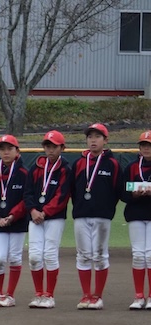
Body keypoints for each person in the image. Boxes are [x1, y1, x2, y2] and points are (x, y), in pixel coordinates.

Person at [70, 122, 123, 310]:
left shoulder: (112, 164)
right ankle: (86, 295)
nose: (93, 140)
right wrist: (80, 206)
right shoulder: (79, 163)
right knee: (83, 255)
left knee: (100, 255)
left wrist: (107, 207)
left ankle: (98, 296)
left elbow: (118, 190)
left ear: (105, 140)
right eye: (90, 137)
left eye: (97, 137)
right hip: (81, 215)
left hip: (102, 216)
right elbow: (72, 189)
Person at [23, 130, 73, 309]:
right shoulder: (36, 167)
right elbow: (27, 192)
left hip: (54, 218)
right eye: (47, 146)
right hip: (35, 217)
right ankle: (38, 294)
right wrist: (33, 210)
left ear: (62, 148)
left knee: (50, 254)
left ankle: (49, 295)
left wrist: (44, 212)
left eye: (54, 147)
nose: (50, 150)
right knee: (34, 256)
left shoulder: (65, 169)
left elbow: (62, 196)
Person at [0, 134, 29, 307]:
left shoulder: (24, 173)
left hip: (17, 222)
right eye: (2, 149)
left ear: (17, 151)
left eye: (10, 149)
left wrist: (13, 215)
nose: (6, 152)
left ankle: (10, 295)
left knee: (15, 258)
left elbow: (27, 198)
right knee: (0, 258)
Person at [120, 130, 151, 310]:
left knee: (150, 255)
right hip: (136, 215)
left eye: (149, 145)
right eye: (143, 145)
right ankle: (139, 296)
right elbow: (123, 193)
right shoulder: (132, 167)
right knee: (139, 255)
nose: (146, 148)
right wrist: (134, 194)